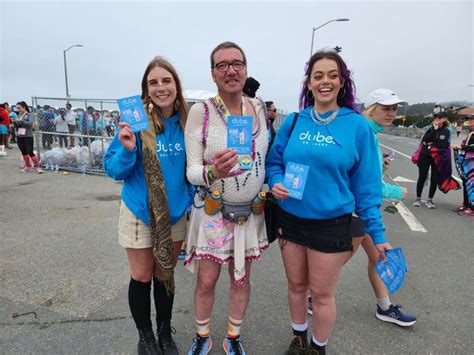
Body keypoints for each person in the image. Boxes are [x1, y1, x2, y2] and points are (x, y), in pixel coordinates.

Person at [266, 50, 391, 355]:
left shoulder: (357, 127)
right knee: (296, 287)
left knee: (321, 294)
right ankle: (298, 338)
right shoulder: (295, 121)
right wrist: (276, 180)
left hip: (331, 224)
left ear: (342, 82)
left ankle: (317, 348)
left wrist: (378, 234)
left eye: (332, 75)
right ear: (308, 83)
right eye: (318, 76)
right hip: (290, 219)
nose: (325, 81)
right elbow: (274, 161)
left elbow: (367, 188)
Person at [184, 41, 269, 355]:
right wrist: (212, 172)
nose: (231, 70)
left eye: (237, 63)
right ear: (213, 74)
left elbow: (265, 156)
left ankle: (232, 337)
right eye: (222, 65)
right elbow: (191, 169)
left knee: (241, 279)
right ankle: (202, 335)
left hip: (250, 212)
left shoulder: (257, 107)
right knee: (207, 280)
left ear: (246, 69)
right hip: (213, 212)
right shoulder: (200, 112)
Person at [104, 56, 193, 355]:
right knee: (141, 277)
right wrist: (128, 151)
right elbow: (113, 169)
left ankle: (164, 332)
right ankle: (146, 337)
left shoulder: (187, 122)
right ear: (146, 88)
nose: (160, 87)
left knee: (165, 274)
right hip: (139, 212)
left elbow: (193, 167)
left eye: (166, 80)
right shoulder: (136, 121)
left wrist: (191, 197)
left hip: (174, 212)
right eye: (153, 82)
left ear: (176, 85)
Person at [345, 88, 416, 326]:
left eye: (394, 109)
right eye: (386, 108)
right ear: (371, 109)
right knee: (333, 262)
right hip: (356, 210)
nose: (392, 113)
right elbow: (364, 183)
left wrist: (380, 163)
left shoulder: (370, 134)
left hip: (364, 211)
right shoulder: (362, 133)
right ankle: (312, 296)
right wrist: (395, 191)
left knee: (378, 256)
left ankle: (384, 307)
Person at [413, 112, 451, 209]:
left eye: (439, 118)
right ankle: (418, 198)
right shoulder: (429, 129)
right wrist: (434, 129)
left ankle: (430, 200)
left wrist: (432, 145)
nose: (437, 119)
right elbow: (425, 140)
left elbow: (445, 145)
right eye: (436, 118)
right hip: (425, 156)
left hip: (438, 157)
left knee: (435, 179)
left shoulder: (447, 131)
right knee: (422, 176)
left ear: (444, 119)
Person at [11, 101, 43, 173]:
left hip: (28, 136)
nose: (18, 110)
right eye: (17, 108)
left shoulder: (29, 114)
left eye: (19, 108)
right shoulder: (18, 115)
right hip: (19, 135)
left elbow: (30, 124)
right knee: (23, 152)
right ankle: (28, 167)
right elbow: (18, 126)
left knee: (30, 151)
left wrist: (21, 121)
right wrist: (14, 122)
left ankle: (37, 167)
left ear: (24, 107)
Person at [453, 115, 474, 216]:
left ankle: (472, 208)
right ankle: (466, 204)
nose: (469, 121)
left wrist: (462, 146)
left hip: (472, 163)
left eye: (471, 120)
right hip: (468, 162)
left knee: (472, 185)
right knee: (466, 183)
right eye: (469, 120)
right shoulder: (471, 132)